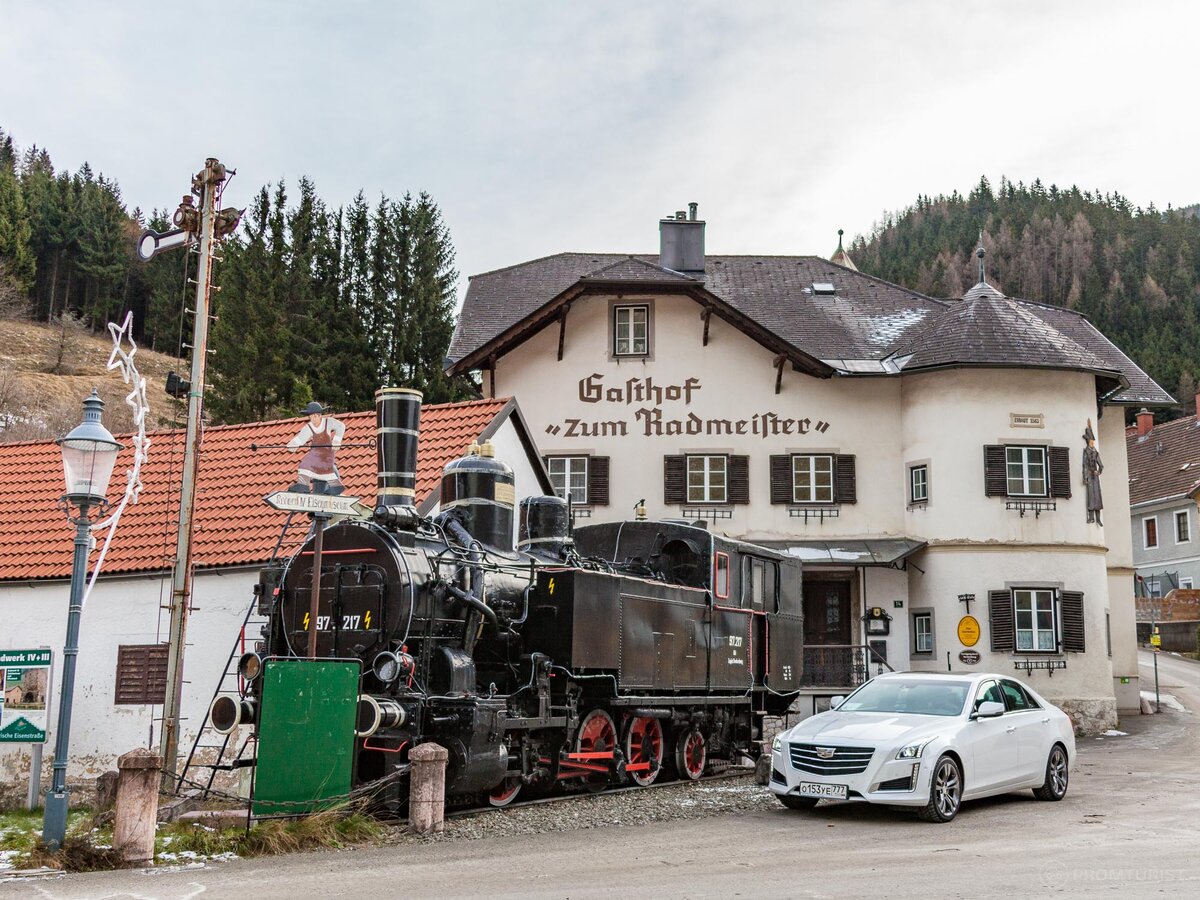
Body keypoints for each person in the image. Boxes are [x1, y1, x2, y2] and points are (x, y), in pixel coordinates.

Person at [287, 401, 346, 494]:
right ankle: (303, 485)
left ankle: (335, 486)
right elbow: (301, 437)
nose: (313, 419)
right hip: (315, 453)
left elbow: (341, 426)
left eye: (315, 416)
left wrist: (337, 440)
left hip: (326, 453)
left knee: (324, 468)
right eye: (311, 416)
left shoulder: (328, 422)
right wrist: (294, 444)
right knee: (305, 464)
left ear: (320, 415)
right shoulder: (309, 427)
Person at [1082, 420, 1103, 526]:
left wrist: (1099, 472)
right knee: (1091, 497)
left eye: (1093, 442)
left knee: (1097, 497)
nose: (1093, 443)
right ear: (1088, 442)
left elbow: (1101, 465)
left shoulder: (1095, 452)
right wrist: (1085, 477)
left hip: (1094, 476)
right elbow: (1085, 465)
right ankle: (1091, 518)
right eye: (1091, 441)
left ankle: (1098, 518)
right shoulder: (1086, 451)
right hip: (1090, 476)